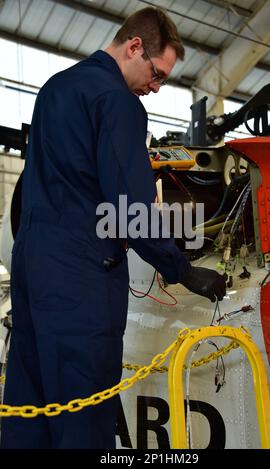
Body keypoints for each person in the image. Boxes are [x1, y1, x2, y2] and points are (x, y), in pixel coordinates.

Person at [0, 7, 226, 449]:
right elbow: (130, 208)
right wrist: (182, 269)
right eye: (157, 73)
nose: (156, 88)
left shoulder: (54, 89)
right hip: (81, 279)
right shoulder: (119, 101)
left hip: (31, 269)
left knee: (30, 408)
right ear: (134, 46)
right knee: (84, 417)